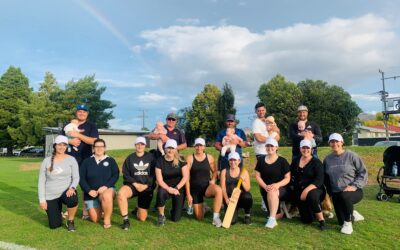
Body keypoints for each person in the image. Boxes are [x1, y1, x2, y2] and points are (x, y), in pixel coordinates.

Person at [323, 133, 367, 235]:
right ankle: (353, 214)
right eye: (332, 141)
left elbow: (363, 172)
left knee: (345, 197)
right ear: (329, 143)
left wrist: (354, 186)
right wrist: (329, 193)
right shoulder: (327, 159)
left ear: (342, 142)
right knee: (339, 222)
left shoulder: (352, 156)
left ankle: (348, 223)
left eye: (337, 141)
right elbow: (325, 177)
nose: (334, 144)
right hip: (336, 194)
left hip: (354, 191)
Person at [62, 104, 99, 219]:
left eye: (84, 111)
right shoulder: (68, 125)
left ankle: (85, 211)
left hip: (86, 159)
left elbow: (94, 141)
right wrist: (70, 141)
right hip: (69, 159)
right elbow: (60, 140)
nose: (81, 113)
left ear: (87, 114)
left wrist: (78, 134)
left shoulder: (91, 126)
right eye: (79, 111)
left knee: (85, 186)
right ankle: (70, 209)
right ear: (76, 113)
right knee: (69, 185)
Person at [38, 135, 79, 232]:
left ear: (67, 146)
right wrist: (42, 200)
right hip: (51, 195)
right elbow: (41, 181)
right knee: (54, 225)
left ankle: (70, 221)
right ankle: (58, 212)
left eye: (64, 145)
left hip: (66, 192)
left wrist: (72, 188)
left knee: (72, 199)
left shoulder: (71, 159)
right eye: (59, 145)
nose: (62, 147)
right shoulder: (46, 161)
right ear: (54, 146)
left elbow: (76, 177)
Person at [79, 139, 119, 229]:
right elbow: (81, 178)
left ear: (104, 148)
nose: (99, 148)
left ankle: (107, 219)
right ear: (93, 148)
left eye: (101, 146)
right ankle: (103, 208)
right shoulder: (86, 161)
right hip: (91, 194)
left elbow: (115, 175)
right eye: (97, 146)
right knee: (95, 219)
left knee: (106, 196)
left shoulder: (110, 160)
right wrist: (89, 191)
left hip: (107, 190)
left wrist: (106, 186)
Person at [117, 137, 156, 230]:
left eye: (142, 144)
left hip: (147, 186)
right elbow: (125, 173)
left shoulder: (151, 157)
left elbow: (154, 174)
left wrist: (146, 185)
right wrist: (135, 183)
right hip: (133, 185)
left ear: (145, 145)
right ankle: (126, 220)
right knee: (121, 194)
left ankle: (138, 208)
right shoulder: (130, 158)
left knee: (142, 218)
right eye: (138, 144)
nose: (140, 146)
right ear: (135, 145)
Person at [185, 138, 223, 227]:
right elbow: (186, 178)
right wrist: (188, 194)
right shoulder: (190, 158)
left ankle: (216, 217)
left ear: (204, 147)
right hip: (195, 189)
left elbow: (214, 171)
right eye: (197, 145)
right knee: (199, 217)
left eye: (201, 145)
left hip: (207, 187)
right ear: (195, 146)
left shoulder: (209, 157)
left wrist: (213, 180)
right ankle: (205, 208)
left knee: (218, 190)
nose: (199, 148)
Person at [289, 139, 326, 230]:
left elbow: (319, 180)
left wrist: (306, 190)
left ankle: (321, 220)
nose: (305, 150)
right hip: (299, 191)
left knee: (312, 196)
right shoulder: (295, 161)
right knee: (307, 220)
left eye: (307, 148)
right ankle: (313, 209)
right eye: (303, 148)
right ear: (300, 148)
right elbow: (290, 174)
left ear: (311, 149)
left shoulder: (316, 162)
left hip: (315, 189)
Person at [255, 138, 290, 229]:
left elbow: (287, 178)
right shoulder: (261, 160)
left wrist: (277, 185)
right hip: (265, 189)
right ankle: (279, 214)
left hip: (281, 189)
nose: (269, 148)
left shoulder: (282, 161)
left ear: (276, 147)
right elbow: (258, 176)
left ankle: (272, 220)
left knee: (272, 192)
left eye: (272, 146)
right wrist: (265, 186)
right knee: (275, 211)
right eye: (267, 146)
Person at [155, 139, 189, 226]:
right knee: (161, 192)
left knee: (175, 218)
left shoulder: (181, 159)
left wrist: (176, 188)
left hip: (179, 188)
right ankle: (161, 215)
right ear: (165, 149)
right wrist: (168, 189)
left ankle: (173, 210)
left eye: (172, 148)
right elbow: (159, 180)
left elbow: (185, 177)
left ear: (176, 149)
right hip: (165, 187)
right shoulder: (160, 160)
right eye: (168, 148)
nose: (170, 150)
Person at [220, 152, 252, 225]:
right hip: (229, 199)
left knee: (248, 197)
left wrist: (243, 181)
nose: (233, 162)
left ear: (239, 161)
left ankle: (247, 215)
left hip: (240, 197)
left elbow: (248, 189)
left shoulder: (244, 172)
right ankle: (234, 209)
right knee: (232, 222)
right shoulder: (224, 172)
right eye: (231, 160)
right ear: (228, 161)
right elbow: (223, 188)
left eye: (235, 160)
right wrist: (226, 200)